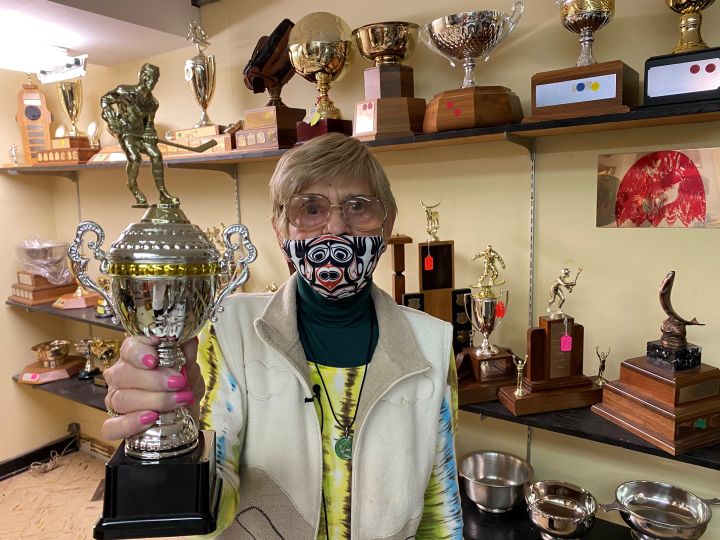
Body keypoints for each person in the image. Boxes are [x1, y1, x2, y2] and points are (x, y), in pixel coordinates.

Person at [102, 133, 463, 539]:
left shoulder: (432, 343)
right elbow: (214, 504)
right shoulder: (228, 330)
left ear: (388, 222)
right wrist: (175, 441)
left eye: (358, 206)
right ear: (279, 229)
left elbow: (440, 512)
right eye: (311, 209)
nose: (336, 227)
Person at [100, 63, 179, 207]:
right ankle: (133, 186)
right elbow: (105, 100)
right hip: (126, 133)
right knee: (135, 158)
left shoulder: (153, 103)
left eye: (155, 78)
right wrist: (111, 119)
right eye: (149, 77)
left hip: (140, 135)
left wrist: (150, 134)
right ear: (142, 76)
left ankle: (163, 193)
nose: (151, 81)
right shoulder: (123, 91)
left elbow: (149, 124)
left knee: (156, 155)